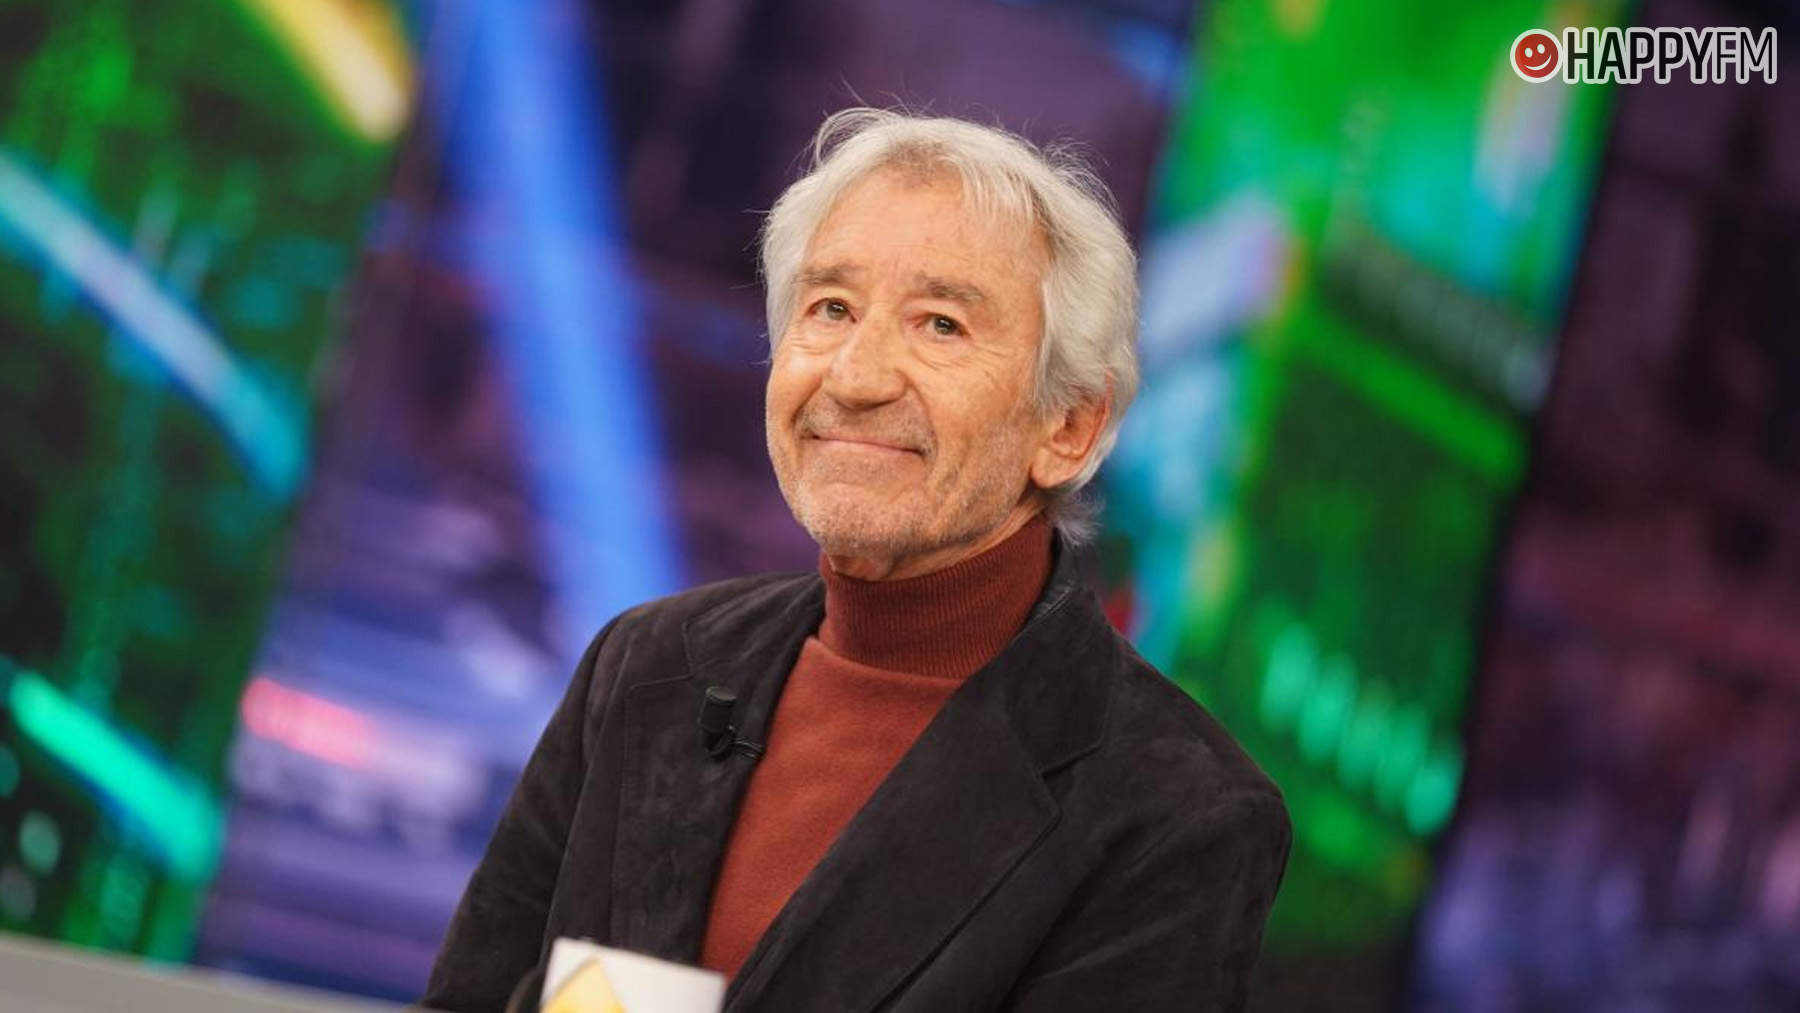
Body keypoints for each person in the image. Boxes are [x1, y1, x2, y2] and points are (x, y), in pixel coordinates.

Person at [422, 108, 1290, 1013]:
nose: (857, 376)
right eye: (831, 308)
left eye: (941, 325)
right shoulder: (645, 666)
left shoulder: (1179, 812)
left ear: (1068, 426)